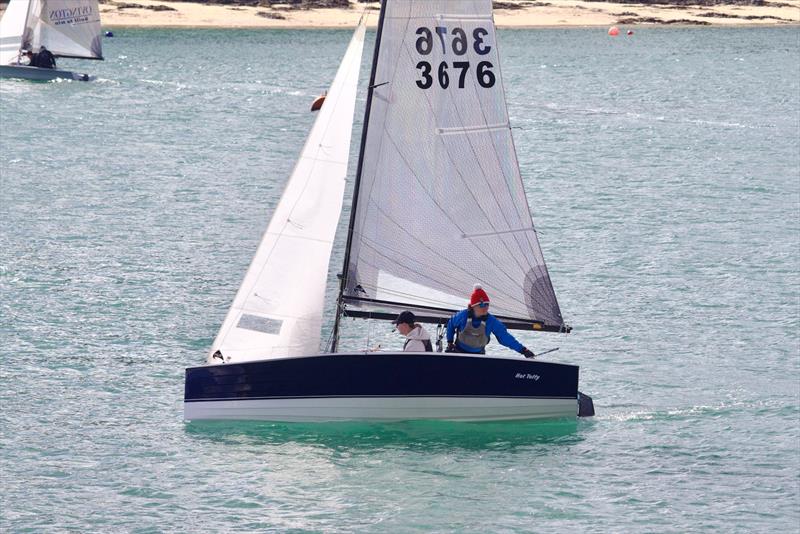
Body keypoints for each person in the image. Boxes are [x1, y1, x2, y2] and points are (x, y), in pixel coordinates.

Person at [446, 284, 536, 358]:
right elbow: (451, 324)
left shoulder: (491, 321)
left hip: (478, 356)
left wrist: (523, 350)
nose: (485, 307)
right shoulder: (463, 316)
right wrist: (449, 342)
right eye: (481, 305)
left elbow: (505, 338)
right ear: (473, 306)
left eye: (487, 304)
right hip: (458, 354)